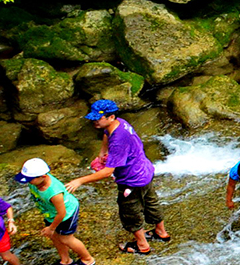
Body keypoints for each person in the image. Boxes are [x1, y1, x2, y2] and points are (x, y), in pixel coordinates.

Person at [67, 99, 171, 255]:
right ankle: (161, 232)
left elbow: (108, 172)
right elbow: (106, 133)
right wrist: (103, 151)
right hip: (144, 171)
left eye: (98, 118)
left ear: (110, 117)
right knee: (150, 201)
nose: (94, 121)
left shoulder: (118, 141)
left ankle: (142, 245)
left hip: (132, 180)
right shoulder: (120, 123)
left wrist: (80, 180)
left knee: (130, 211)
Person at [15, 157, 96, 265]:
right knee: (55, 236)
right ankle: (65, 260)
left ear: (42, 176)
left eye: (30, 179)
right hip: (50, 212)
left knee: (66, 238)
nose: (28, 182)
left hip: (66, 213)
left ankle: (88, 259)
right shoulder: (34, 182)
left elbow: (62, 213)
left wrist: (51, 227)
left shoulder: (54, 192)